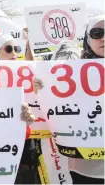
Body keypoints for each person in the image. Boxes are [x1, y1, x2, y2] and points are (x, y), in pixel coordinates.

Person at [34, 16, 104, 184]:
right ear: (88, 38)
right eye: (97, 33)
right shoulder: (71, 72)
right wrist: (43, 87)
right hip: (88, 165)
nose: (104, 38)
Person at [0, 33, 39, 184]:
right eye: (8, 49)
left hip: (25, 141)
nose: (14, 54)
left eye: (16, 48)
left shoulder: (26, 75)